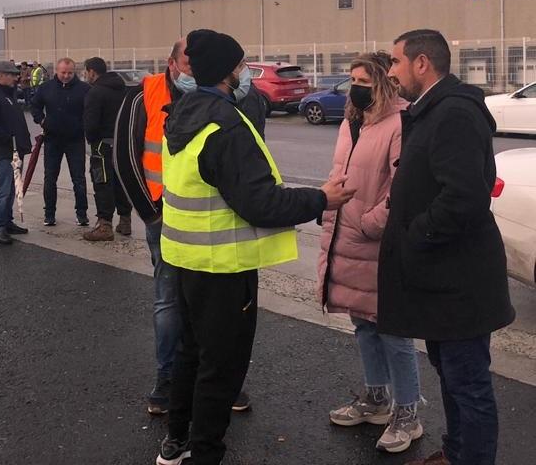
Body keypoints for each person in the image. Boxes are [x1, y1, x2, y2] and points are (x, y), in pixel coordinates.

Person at [153, 28, 353, 465]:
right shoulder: (225, 124)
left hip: (184, 258)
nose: (245, 73)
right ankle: (205, 453)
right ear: (230, 71)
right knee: (220, 367)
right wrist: (321, 198)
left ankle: (175, 441)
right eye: (242, 65)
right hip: (224, 268)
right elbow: (260, 202)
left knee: (190, 354)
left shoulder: (183, 112)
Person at [381, 30, 515, 465]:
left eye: (396, 62)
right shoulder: (430, 110)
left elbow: (464, 197)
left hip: (460, 281)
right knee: (451, 375)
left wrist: (417, 234)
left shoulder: (453, 113)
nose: (391, 72)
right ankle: (458, 452)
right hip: (441, 279)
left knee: (468, 383)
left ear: (422, 64)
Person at [113, 37, 265, 415]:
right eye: (187, 61)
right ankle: (168, 382)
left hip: (220, 223)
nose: (193, 69)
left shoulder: (236, 98)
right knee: (170, 302)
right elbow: (125, 157)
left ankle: (218, 384)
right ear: (172, 63)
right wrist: (151, 214)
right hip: (166, 220)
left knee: (218, 310)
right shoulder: (141, 97)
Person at [316, 52, 423, 454]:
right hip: (346, 235)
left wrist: (372, 222)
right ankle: (376, 399)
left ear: (382, 82)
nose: (355, 86)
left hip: (377, 240)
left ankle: (408, 413)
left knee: (393, 330)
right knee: (362, 323)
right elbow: (339, 173)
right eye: (352, 79)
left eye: (363, 79)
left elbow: (404, 186)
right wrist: (325, 205)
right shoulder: (350, 122)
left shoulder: (401, 122)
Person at [30, 57, 90, 226]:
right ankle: (49, 214)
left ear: (75, 72)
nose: (66, 76)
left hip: (75, 140)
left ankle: (82, 214)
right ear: (57, 71)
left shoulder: (84, 89)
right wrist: (41, 120)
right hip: (52, 139)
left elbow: (91, 110)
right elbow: (34, 106)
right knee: (50, 178)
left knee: (78, 179)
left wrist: (83, 126)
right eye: (63, 72)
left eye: (70, 73)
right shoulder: (46, 88)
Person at [81, 57, 133, 242]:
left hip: (102, 145)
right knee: (121, 183)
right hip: (122, 145)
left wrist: (92, 139)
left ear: (92, 72)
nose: (85, 75)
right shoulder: (123, 90)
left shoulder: (96, 92)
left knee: (102, 183)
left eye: (86, 72)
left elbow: (91, 123)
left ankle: (105, 225)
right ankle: (125, 220)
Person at [0, 60, 32, 244]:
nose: (14, 77)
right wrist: (9, 140)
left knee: (13, 189)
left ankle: (7, 222)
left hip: (16, 150)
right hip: (3, 151)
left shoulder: (9, 94)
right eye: (10, 74)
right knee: (3, 189)